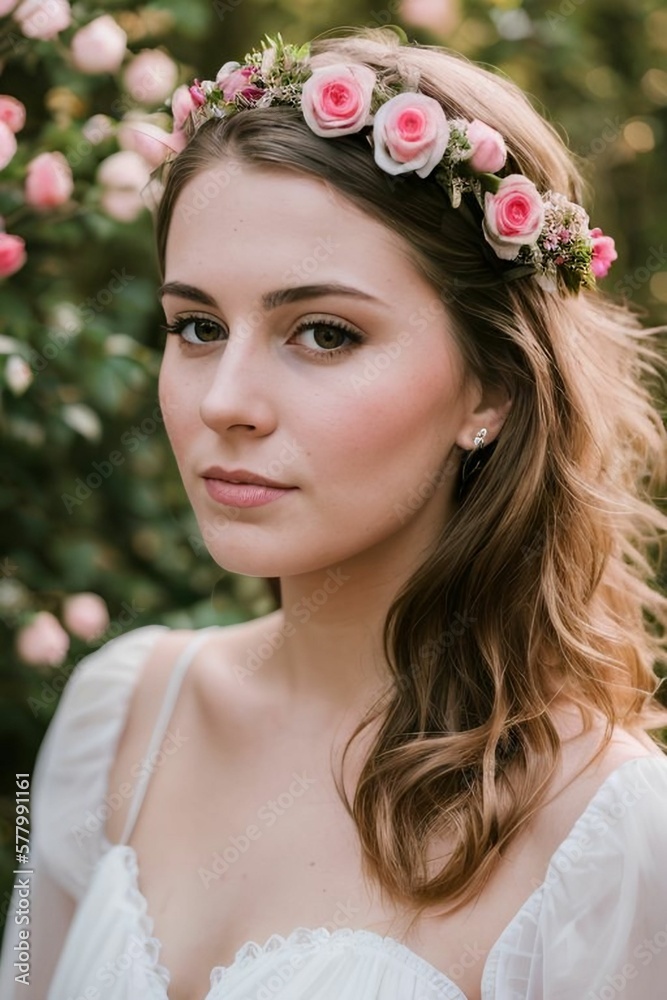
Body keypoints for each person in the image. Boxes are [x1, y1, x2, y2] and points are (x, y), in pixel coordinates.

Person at [2, 24, 667, 1000]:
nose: (225, 399)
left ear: (490, 390)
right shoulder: (125, 714)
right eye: (196, 326)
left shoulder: (604, 836)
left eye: (322, 332)